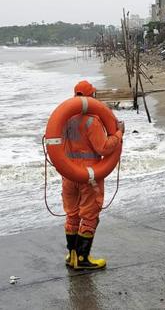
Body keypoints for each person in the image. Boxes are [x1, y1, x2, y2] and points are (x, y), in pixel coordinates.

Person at [63, 80, 124, 270]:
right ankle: (82, 259)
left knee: (72, 214)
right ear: (92, 97)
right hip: (89, 176)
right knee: (89, 216)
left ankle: (72, 255)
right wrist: (119, 134)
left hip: (68, 174)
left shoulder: (65, 118)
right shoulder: (92, 121)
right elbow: (104, 147)